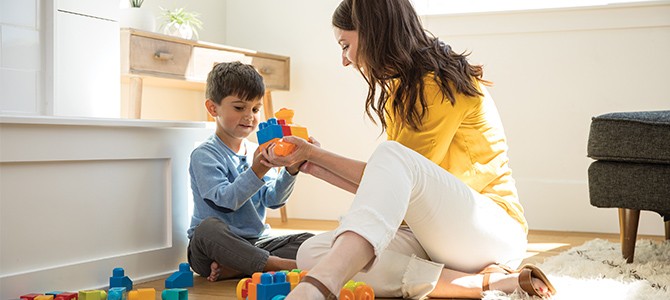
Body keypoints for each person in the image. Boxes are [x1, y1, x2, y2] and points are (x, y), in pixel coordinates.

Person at [260, 0, 557, 299]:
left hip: (489, 232)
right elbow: (389, 188)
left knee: (388, 158)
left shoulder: (438, 83)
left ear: (373, 32)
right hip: (433, 234)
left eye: (345, 45)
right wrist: (310, 162)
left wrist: (314, 156)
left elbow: (395, 171)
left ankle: (321, 285)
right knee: (312, 251)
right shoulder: (402, 88)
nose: (345, 61)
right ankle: (484, 284)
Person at [187, 61, 313, 282]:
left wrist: (290, 171)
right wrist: (256, 171)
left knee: (308, 241)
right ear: (213, 108)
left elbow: (273, 200)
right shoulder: (205, 155)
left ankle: (240, 266)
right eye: (239, 107)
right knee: (206, 230)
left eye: (255, 109)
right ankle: (276, 265)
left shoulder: (257, 151)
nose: (250, 116)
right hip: (212, 249)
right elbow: (226, 201)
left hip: (255, 242)